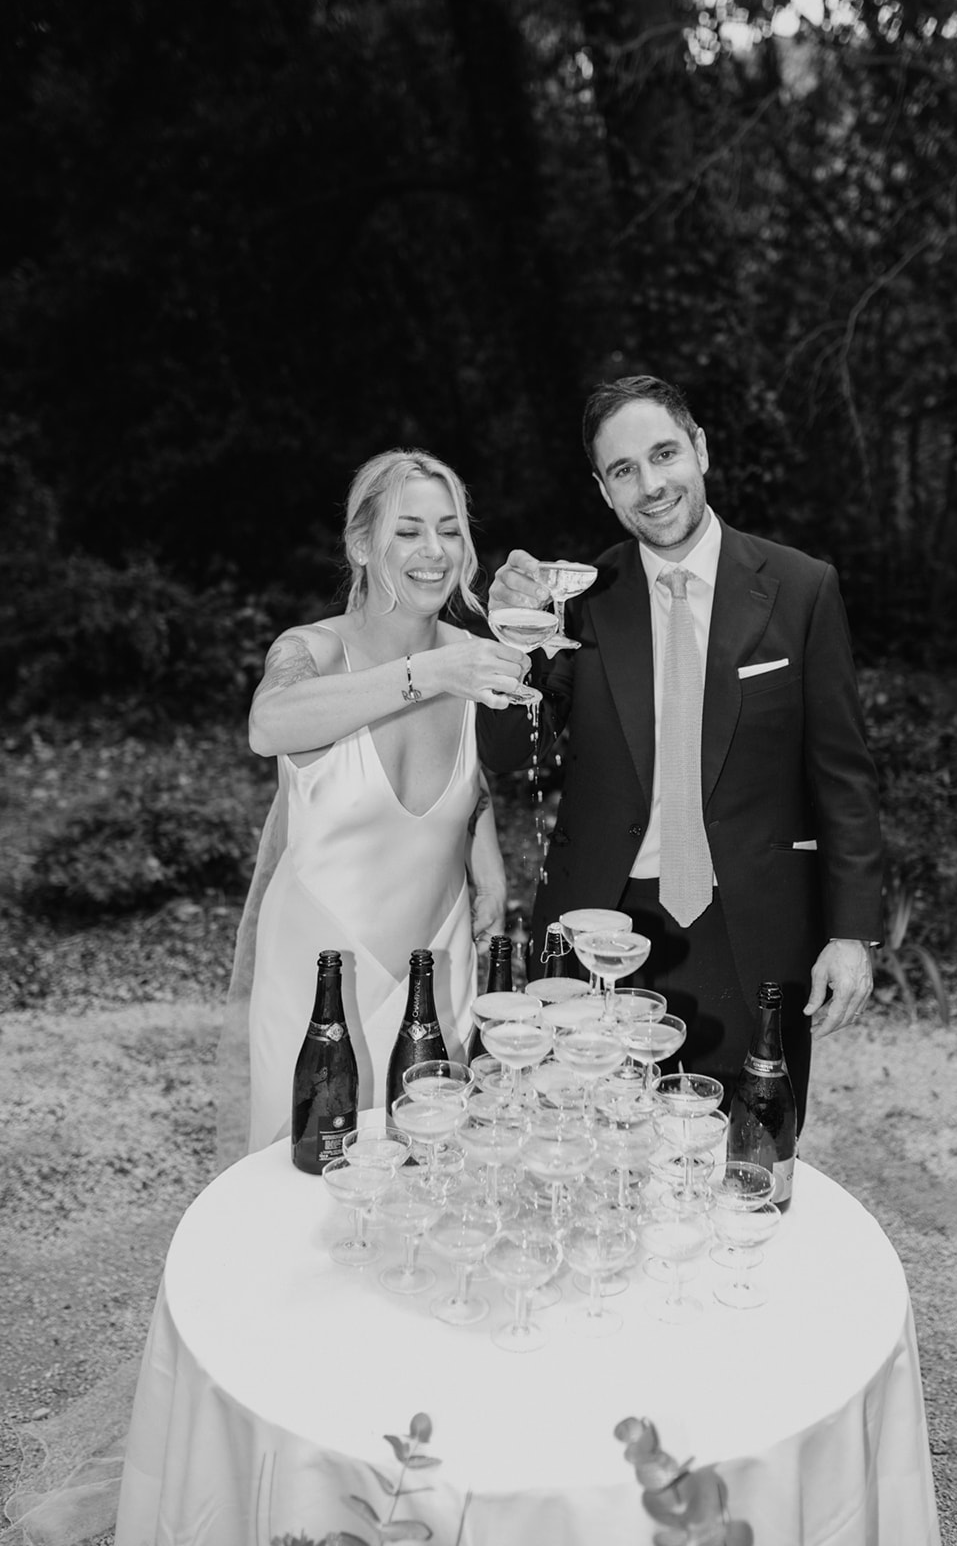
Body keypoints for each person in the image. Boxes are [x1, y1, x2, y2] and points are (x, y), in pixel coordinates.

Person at [478, 375, 884, 1128]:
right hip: (599, 927)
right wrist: (510, 632)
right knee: (588, 1148)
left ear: (699, 448)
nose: (651, 484)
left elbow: (843, 777)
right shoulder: (579, 600)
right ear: (603, 490)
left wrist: (852, 931)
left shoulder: (801, 589)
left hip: (752, 929)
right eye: (624, 469)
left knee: (744, 1157)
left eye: (664, 454)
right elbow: (506, 751)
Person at [216, 448, 529, 1164]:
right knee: (306, 1178)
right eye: (407, 531)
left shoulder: (471, 655)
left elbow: (475, 775)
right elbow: (268, 725)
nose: (434, 551)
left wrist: (487, 859)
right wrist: (429, 672)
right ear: (361, 544)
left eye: (450, 530)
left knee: (430, 1171)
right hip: (319, 982)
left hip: (436, 968)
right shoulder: (312, 652)